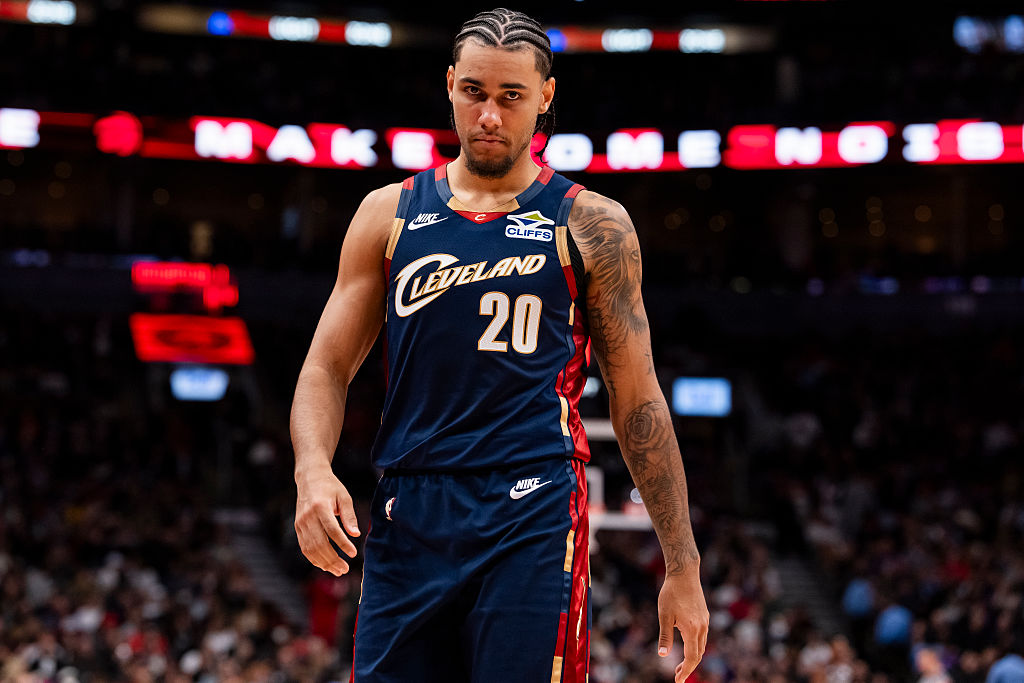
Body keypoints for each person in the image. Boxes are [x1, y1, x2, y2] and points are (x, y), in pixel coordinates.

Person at [289, 8, 709, 682]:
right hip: (409, 509)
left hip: (533, 508)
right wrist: (312, 468)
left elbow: (640, 401)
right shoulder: (387, 213)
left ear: (544, 97)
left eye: (510, 96)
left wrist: (682, 563)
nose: (489, 114)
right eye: (475, 92)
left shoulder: (593, 224)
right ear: (450, 85)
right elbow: (325, 366)